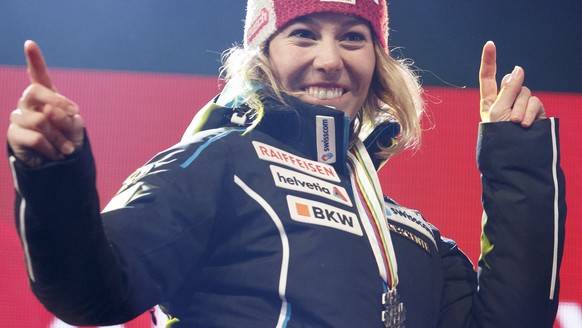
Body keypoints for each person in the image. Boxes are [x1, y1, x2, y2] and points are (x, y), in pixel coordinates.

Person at [7, 0, 566, 327]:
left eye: (353, 37)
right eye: (303, 35)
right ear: (262, 57)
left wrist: (517, 161)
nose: (330, 59)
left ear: (378, 63)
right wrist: (54, 175)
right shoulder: (216, 166)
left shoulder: (412, 236)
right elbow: (90, 290)